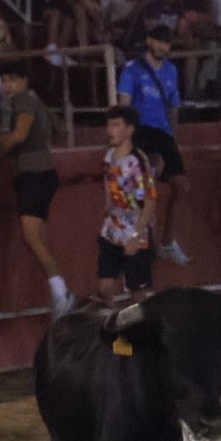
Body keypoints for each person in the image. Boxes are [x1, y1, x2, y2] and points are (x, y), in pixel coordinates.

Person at [0, 62, 75, 317]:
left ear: (24, 81)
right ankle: (58, 291)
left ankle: (61, 293)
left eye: (11, 79)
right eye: (3, 80)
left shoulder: (23, 100)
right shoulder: (36, 101)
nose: (7, 85)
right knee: (37, 238)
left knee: (31, 236)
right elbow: (60, 129)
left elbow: (19, 135)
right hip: (41, 172)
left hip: (33, 174)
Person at [117, 25, 190, 265]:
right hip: (141, 131)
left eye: (167, 43)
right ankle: (146, 235)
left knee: (181, 185)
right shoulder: (132, 70)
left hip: (163, 132)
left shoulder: (171, 70)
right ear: (149, 41)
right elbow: (125, 104)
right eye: (159, 41)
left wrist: (174, 139)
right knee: (153, 169)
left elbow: (173, 107)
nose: (163, 47)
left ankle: (168, 242)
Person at [96, 105, 157, 304]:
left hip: (134, 228)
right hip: (112, 228)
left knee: (137, 292)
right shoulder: (108, 157)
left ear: (129, 130)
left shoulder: (138, 161)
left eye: (116, 125)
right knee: (105, 286)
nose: (110, 130)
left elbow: (149, 200)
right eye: (109, 125)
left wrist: (136, 235)